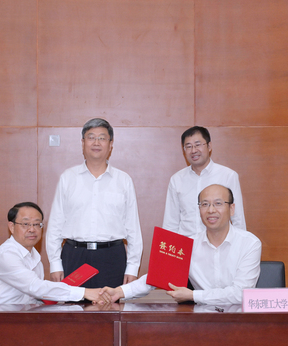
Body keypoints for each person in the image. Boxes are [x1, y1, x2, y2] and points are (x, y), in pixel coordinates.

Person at [103, 184, 261, 306]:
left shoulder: (249, 244)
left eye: (218, 203)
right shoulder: (188, 245)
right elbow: (155, 277)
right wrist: (119, 292)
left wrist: (193, 295)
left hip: (240, 319)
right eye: (205, 204)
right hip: (202, 319)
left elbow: (240, 294)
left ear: (231, 209)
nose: (211, 210)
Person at [45, 118, 142, 288]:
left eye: (102, 138)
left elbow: (133, 227)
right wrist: (55, 263)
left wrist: (133, 267)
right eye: (91, 137)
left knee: (110, 305)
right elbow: (55, 224)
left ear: (110, 145)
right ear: (83, 143)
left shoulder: (123, 180)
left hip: (112, 257)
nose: (96, 142)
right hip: (74, 256)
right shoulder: (68, 178)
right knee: (74, 305)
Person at [0, 202, 108, 305]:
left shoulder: (34, 255)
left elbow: (34, 296)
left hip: (22, 314)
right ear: (12, 227)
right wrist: (84, 293)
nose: (32, 229)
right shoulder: (6, 254)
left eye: (37, 224)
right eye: (25, 224)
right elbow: (34, 286)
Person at [162, 126, 246, 237]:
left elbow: (238, 219)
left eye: (198, 145)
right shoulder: (177, 179)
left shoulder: (228, 176)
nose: (193, 150)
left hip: (218, 243)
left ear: (209, 146)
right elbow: (170, 223)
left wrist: (240, 244)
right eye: (188, 146)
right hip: (187, 244)